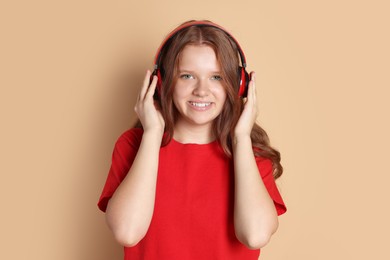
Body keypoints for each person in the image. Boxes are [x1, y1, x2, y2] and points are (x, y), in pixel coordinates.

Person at [98, 20, 287, 259]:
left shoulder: (251, 153)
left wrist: (240, 139)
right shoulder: (133, 145)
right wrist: (153, 134)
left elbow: (255, 235)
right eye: (187, 76)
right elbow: (127, 232)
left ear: (239, 85)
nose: (202, 90)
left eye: (216, 77)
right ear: (163, 83)